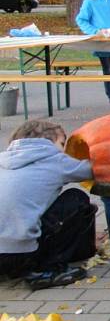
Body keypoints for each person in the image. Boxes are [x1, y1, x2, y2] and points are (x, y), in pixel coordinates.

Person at [0, 120, 96, 291]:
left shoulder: (3, 160)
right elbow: (94, 170)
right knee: (77, 198)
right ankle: (46, 268)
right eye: (62, 143)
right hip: (22, 256)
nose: (64, 149)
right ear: (48, 140)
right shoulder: (54, 159)